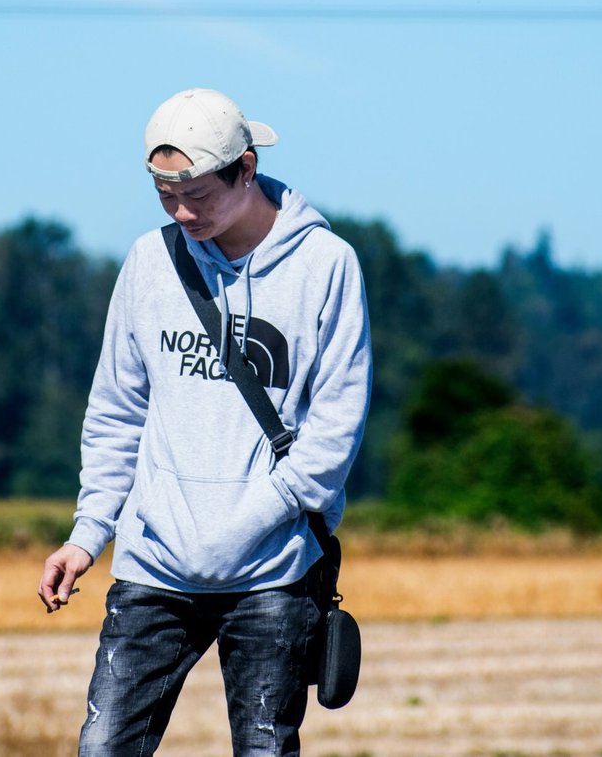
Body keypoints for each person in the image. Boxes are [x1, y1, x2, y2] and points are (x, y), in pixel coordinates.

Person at [38, 87, 373, 755]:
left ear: (245, 169)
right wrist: (87, 533)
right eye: (165, 194)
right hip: (152, 568)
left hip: (272, 571)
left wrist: (248, 521)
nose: (182, 211)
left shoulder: (326, 266)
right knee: (102, 747)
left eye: (197, 192)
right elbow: (116, 410)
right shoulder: (148, 262)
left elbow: (335, 429)